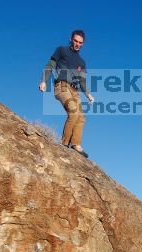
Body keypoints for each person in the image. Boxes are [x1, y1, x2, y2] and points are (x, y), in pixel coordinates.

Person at [39, 29, 95, 158]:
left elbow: (82, 80)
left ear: (83, 44)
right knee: (74, 112)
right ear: (71, 39)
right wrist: (43, 81)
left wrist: (88, 94)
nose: (77, 44)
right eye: (75, 41)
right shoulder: (61, 50)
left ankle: (76, 144)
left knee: (81, 117)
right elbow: (50, 65)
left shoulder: (82, 62)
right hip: (62, 86)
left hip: (75, 91)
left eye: (80, 42)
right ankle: (64, 144)